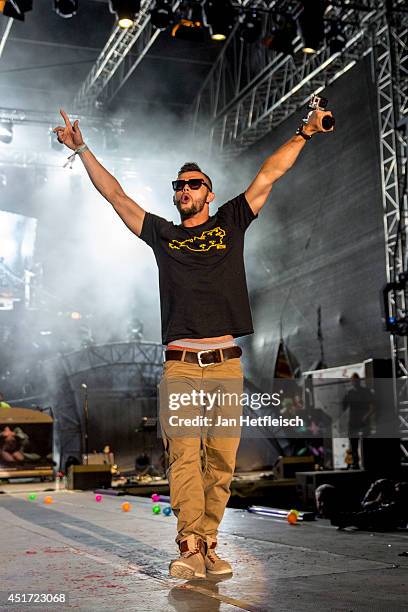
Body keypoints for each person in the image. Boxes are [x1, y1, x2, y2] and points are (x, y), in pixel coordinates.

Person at [53, 106, 334, 579]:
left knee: (221, 460)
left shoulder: (230, 222)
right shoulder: (163, 235)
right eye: (178, 186)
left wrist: (304, 132)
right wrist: (82, 149)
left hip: (225, 365)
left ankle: (209, 543)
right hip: (181, 365)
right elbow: (116, 196)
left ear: (209, 192)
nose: (184, 190)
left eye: (193, 184)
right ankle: (189, 547)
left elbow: (269, 173)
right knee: (184, 454)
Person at [342, 373, 375, 469]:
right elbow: (344, 407)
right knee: (353, 444)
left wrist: (366, 417)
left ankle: (367, 463)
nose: (354, 382)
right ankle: (355, 463)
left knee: (366, 443)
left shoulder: (366, 392)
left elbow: (373, 407)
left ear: (359, 381)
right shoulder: (350, 393)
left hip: (364, 422)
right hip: (353, 422)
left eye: (355, 380)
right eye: (352, 381)